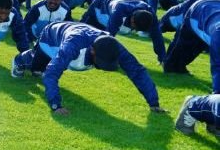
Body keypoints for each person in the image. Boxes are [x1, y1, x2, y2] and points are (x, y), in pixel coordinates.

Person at [12, 22, 166, 115]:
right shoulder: (73, 45)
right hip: (51, 37)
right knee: (37, 67)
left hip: (76, 35)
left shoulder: (113, 46)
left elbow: (137, 71)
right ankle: (20, 60)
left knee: (49, 68)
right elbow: (52, 73)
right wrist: (55, 105)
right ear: (92, 50)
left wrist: (154, 103)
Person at [81, 0, 166, 63]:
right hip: (101, 2)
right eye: (135, 28)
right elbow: (109, 35)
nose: (135, 31)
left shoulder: (150, 14)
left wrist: (162, 58)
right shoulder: (118, 12)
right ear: (132, 20)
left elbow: (157, 36)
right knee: (86, 29)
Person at [162, 0, 220, 93]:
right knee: (184, 46)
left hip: (212, 7)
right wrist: (217, 93)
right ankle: (170, 65)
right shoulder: (217, 36)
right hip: (196, 10)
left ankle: (176, 66)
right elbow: (217, 66)